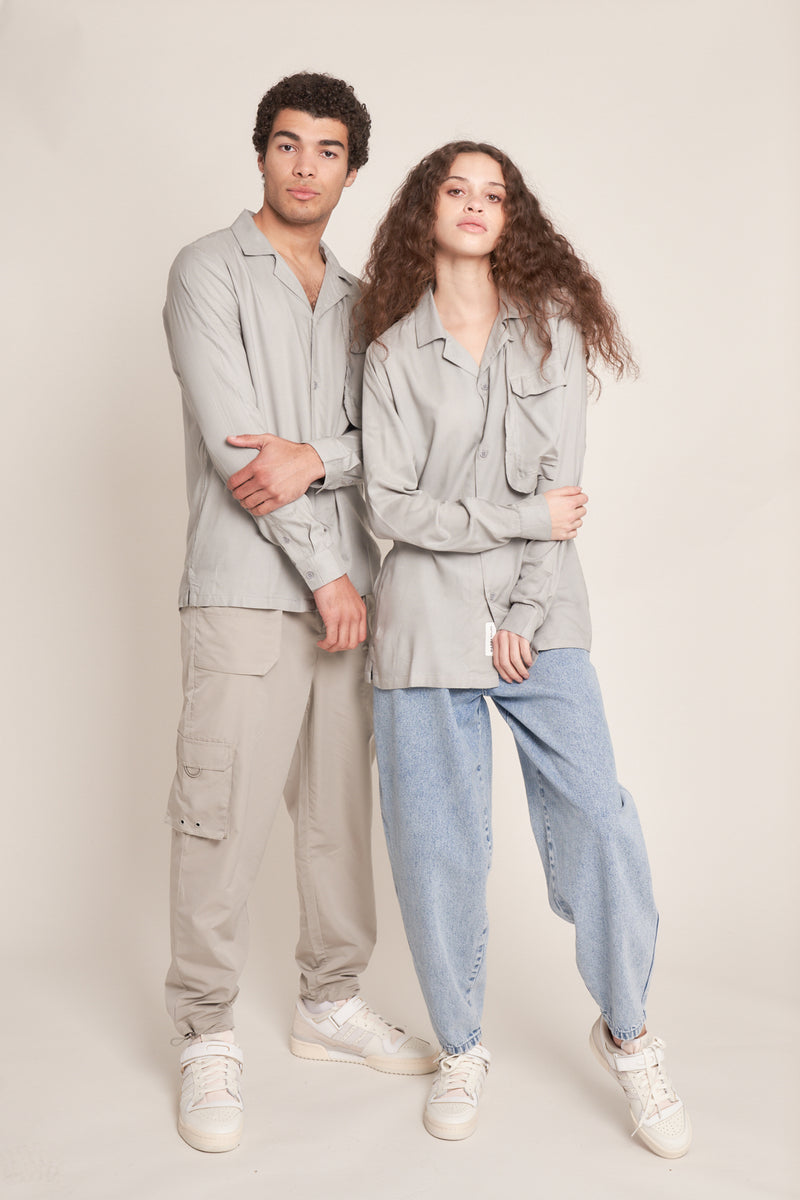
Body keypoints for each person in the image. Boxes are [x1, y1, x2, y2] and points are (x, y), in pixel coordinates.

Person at [357, 141, 691, 1157]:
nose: (474, 204)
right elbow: (388, 507)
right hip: (422, 626)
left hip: (539, 621)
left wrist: (524, 614)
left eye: (492, 193)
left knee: (597, 814)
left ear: (512, 218)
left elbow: (565, 498)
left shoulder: (552, 335)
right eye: (455, 190)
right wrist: (513, 519)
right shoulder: (390, 356)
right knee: (435, 847)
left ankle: (627, 1033)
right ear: (425, 212)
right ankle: (460, 1047)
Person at [162, 72, 436, 1155]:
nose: (305, 165)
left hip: (348, 604)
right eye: (288, 144)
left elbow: (393, 446)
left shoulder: (367, 301)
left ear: (352, 170)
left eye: (327, 149)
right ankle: (204, 1028)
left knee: (336, 815)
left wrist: (318, 454)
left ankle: (331, 999)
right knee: (219, 812)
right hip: (249, 591)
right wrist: (326, 570)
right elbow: (242, 449)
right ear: (261, 153)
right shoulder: (206, 270)